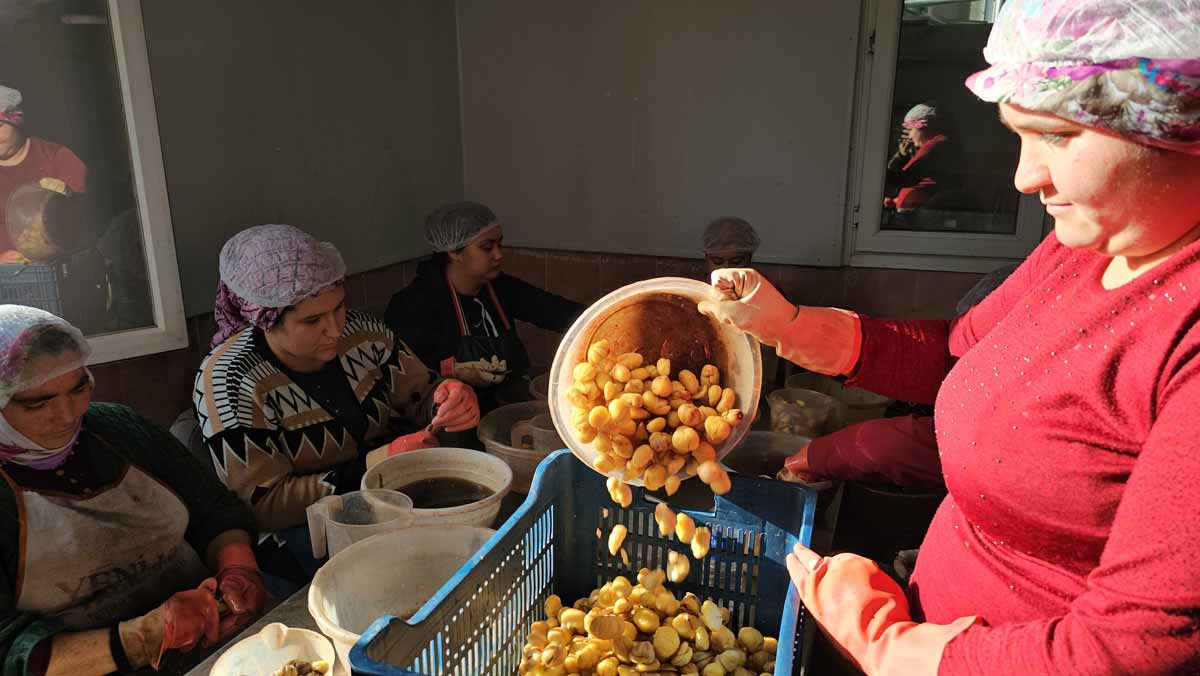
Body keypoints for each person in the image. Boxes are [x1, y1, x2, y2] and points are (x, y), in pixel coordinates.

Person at [699, 0, 1200, 672]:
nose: (1027, 178)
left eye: (1055, 135)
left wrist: (892, 646)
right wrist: (792, 328)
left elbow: (1135, 647)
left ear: (1171, 125)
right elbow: (960, 356)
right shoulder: (1089, 244)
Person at [194, 225, 479, 580]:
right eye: (312, 320)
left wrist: (449, 397)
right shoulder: (230, 381)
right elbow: (263, 505)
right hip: (305, 535)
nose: (334, 329)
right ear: (265, 320)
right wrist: (380, 463)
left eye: (339, 308)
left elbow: (421, 395)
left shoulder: (365, 334)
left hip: (393, 503)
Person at [0, 305, 265, 675]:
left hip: (218, 627)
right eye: (37, 403)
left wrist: (238, 570)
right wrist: (144, 636)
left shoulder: (120, 429)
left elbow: (215, 510)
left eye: (79, 387)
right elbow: (8, 651)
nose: (68, 415)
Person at [385, 202, 583, 411]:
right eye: (487, 247)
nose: (498, 255)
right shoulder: (413, 303)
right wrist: (453, 370)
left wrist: (605, 315)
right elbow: (400, 374)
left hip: (508, 408)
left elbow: (554, 310)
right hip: (454, 418)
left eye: (500, 245)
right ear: (454, 251)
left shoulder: (499, 287)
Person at [0, 86, 86, 264]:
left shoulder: (57, 158)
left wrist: (66, 197)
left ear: (17, 120)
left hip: (54, 275)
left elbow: (89, 221)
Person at [883, 103, 964, 214]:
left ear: (922, 126)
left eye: (910, 130)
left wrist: (900, 156)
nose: (910, 136)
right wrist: (896, 201)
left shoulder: (935, 145)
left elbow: (901, 180)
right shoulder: (937, 146)